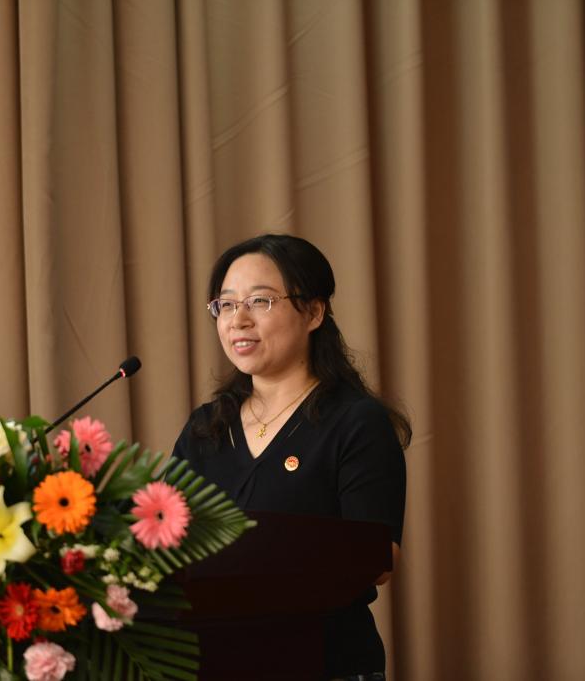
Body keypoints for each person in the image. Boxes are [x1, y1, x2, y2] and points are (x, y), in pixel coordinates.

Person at [172, 234, 411, 679]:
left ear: (314, 313)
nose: (238, 320)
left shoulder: (356, 422)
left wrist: (253, 550)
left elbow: (379, 559)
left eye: (260, 301)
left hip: (325, 662)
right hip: (214, 663)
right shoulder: (206, 428)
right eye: (226, 305)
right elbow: (164, 540)